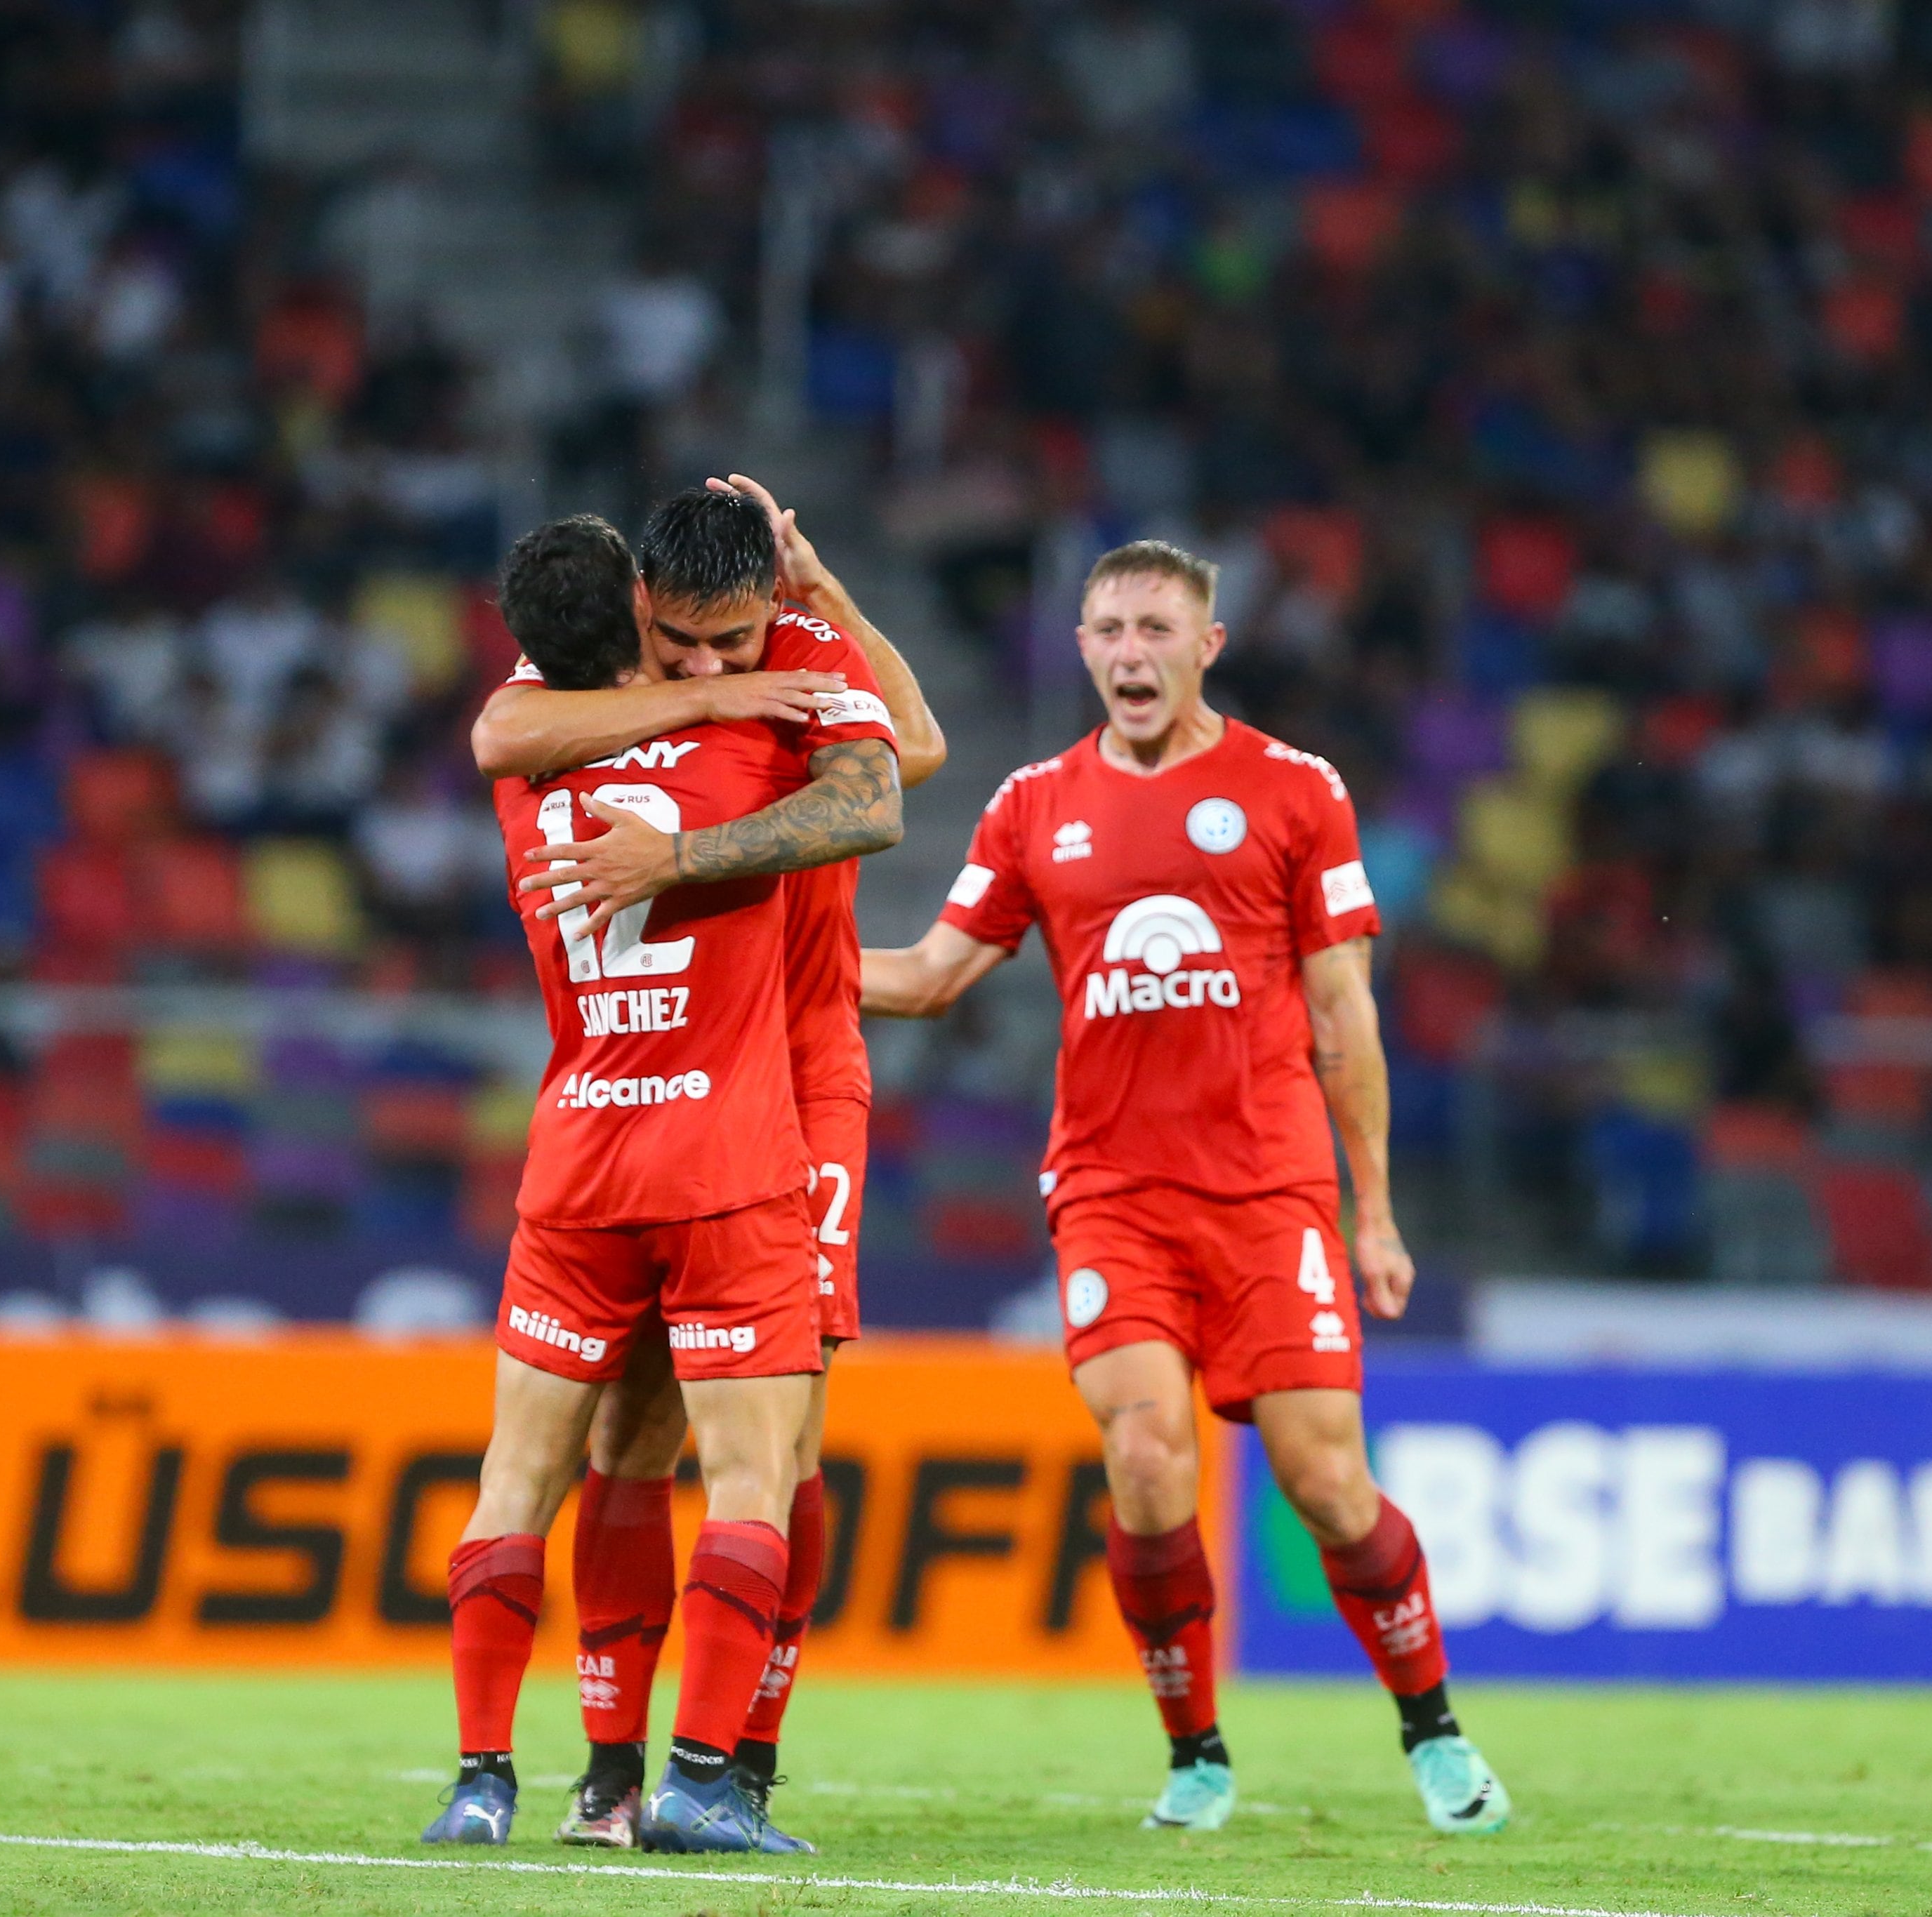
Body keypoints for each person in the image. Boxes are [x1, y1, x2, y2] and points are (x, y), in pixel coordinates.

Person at [859, 540, 1510, 1837]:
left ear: (1207, 645)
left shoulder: (1293, 791)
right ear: (1083, 646)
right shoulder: (1034, 803)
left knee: (1327, 1482)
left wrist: (1369, 1212)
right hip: (1112, 1188)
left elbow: (1344, 1018)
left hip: (1271, 1189)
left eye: (1156, 626)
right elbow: (932, 973)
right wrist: (772, 957)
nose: (1129, 651)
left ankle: (1433, 1728)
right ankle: (1196, 1754)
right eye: (1107, 629)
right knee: (1149, 1458)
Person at [471, 476, 943, 1845]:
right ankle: (611, 1778)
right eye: (677, 638)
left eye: (726, 642)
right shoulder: (611, 662)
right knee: (628, 1428)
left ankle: (732, 1764)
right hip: (668, 1090)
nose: (701, 661)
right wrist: (695, 699)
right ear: (639, 608)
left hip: (802, 1084)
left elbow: (908, 754)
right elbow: (504, 727)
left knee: (782, 1438)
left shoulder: (802, 648)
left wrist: (818, 596)